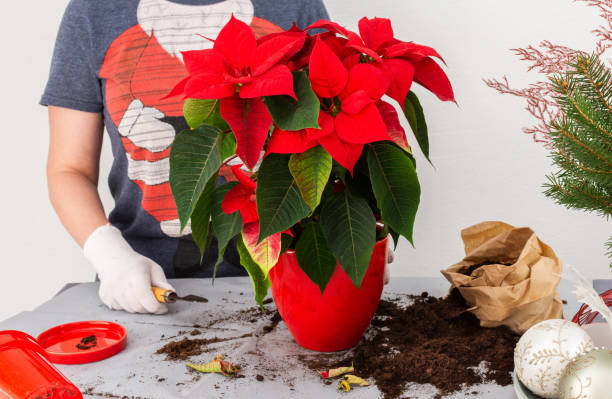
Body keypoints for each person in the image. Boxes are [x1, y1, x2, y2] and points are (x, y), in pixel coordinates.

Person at [41, 0, 330, 315]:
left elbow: (328, 131)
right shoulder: (93, 11)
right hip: (144, 289)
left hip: (290, 282)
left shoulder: (294, 6)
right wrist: (109, 255)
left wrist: (359, 234)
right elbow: (69, 169)